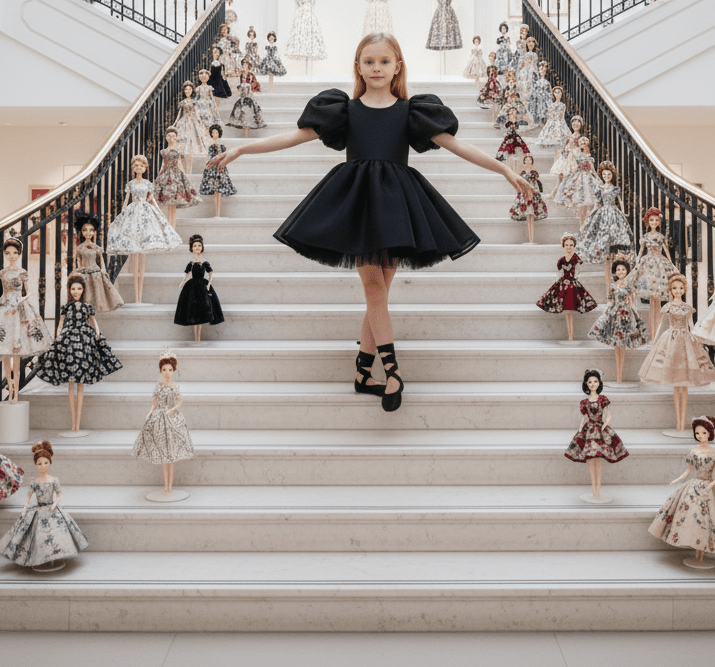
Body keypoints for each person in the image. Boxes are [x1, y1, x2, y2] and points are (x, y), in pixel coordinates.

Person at [208, 32, 533, 412]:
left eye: (383, 61)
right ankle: (392, 371)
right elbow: (294, 137)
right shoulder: (343, 109)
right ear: (358, 67)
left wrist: (504, 171)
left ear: (397, 66)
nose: (376, 68)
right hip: (358, 206)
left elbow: (459, 146)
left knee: (378, 293)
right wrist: (244, 147)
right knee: (375, 288)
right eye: (369, 61)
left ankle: (364, 372)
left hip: (397, 208)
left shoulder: (413, 111)